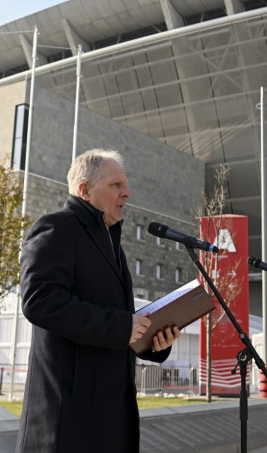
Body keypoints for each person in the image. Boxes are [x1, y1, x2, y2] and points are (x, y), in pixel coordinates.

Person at [16, 149, 180, 453]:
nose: (127, 193)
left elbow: (118, 322)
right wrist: (122, 327)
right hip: (68, 421)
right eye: (116, 185)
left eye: (126, 185)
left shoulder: (114, 246)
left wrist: (154, 340)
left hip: (111, 416)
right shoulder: (56, 228)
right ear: (85, 190)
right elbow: (40, 300)